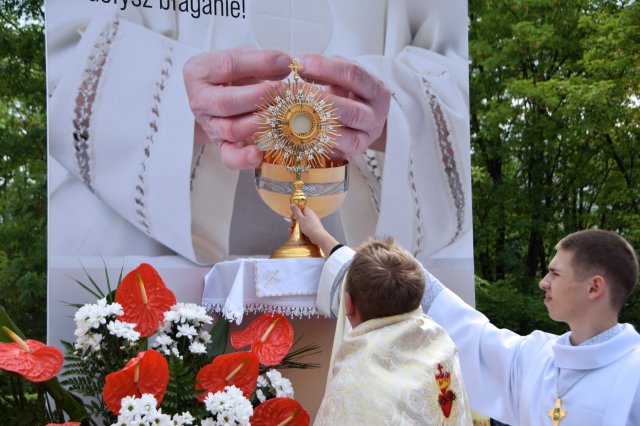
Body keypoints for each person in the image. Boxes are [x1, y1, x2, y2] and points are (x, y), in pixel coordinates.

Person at [46, 0, 472, 269]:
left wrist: (388, 108)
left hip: (357, 238)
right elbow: (64, 47)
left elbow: (450, 56)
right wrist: (172, 102)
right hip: (148, 238)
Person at [299, 198, 640, 426]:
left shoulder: (633, 375)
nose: (543, 283)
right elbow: (463, 325)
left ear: (594, 288)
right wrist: (333, 245)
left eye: (555, 273)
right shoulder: (536, 356)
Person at [292, 205, 472, 425]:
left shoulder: (355, 386)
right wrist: (322, 237)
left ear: (347, 303)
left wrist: (320, 236)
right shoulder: (442, 348)